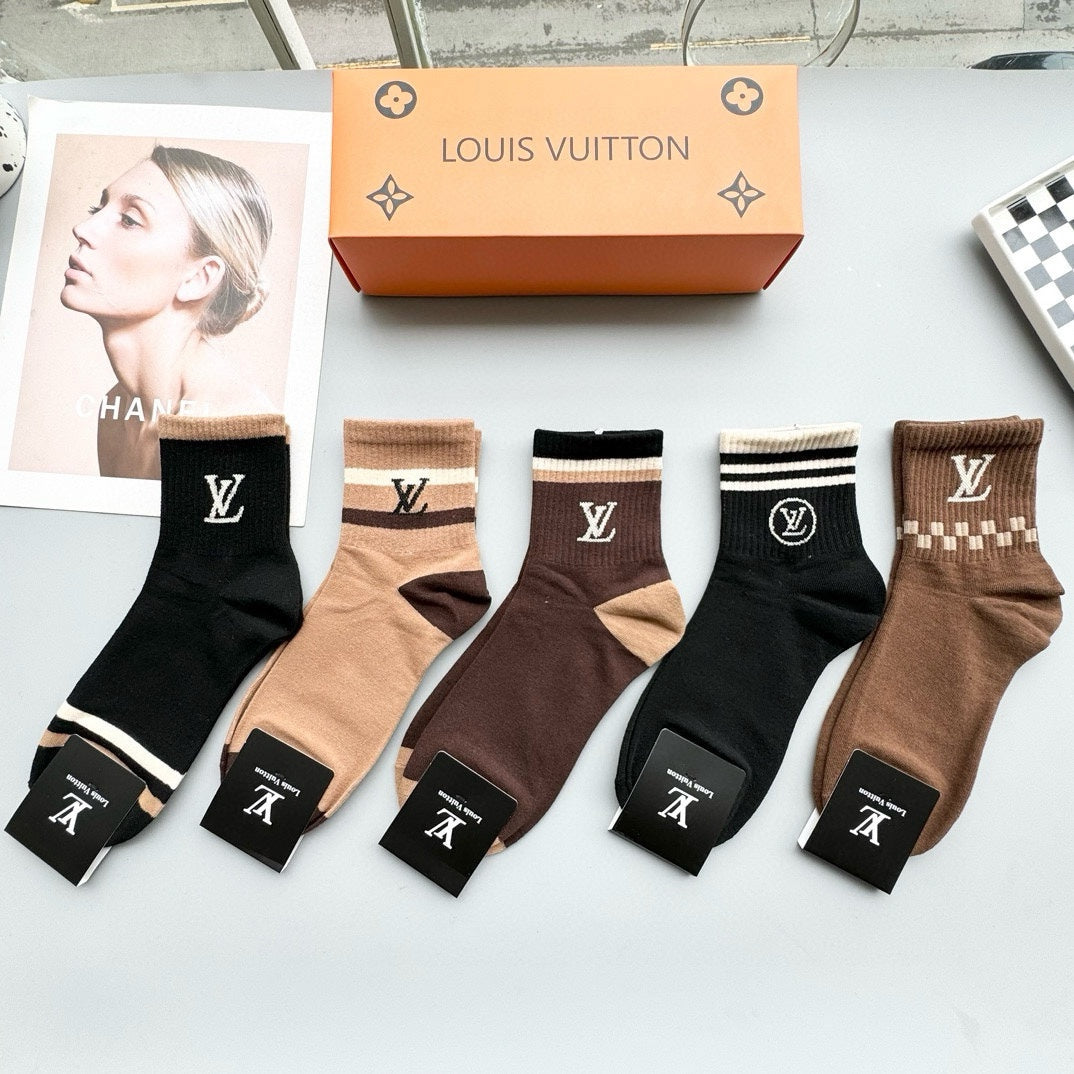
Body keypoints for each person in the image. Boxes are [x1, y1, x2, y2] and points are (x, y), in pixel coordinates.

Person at [61, 144, 275, 479]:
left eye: (129, 220)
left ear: (198, 278)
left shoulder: (231, 436)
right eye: (97, 208)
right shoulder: (117, 414)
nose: (83, 228)